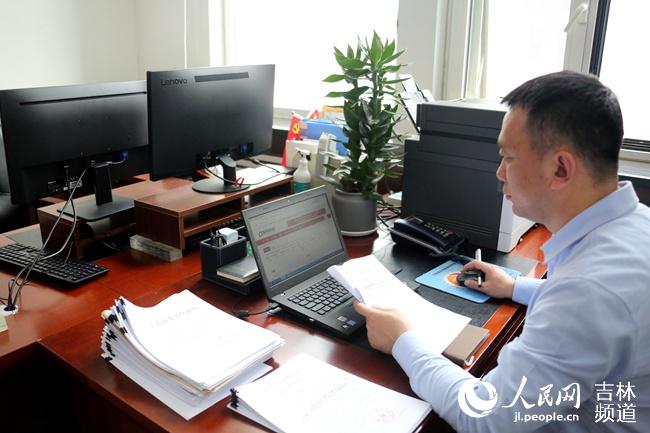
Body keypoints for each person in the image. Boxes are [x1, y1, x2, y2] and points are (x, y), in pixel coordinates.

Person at [354, 71, 650, 432]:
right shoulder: (635, 227)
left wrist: (402, 340)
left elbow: (485, 418)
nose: (499, 172)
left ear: (560, 168)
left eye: (508, 157)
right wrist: (515, 286)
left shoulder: (588, 290)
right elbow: (597, 311)